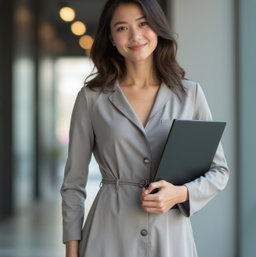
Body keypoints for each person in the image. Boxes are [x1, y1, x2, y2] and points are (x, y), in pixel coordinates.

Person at [60, 0, 230, 256]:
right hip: (108, 235)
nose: (135, 35)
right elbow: (73, 183)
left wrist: (180, 193)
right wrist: (72, 251)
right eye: (122, 28)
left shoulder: (189, 94)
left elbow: (219, 171)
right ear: (112, 38)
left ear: (158, 28)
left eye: (143, 24)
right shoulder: (91, 98)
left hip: (170, 239)